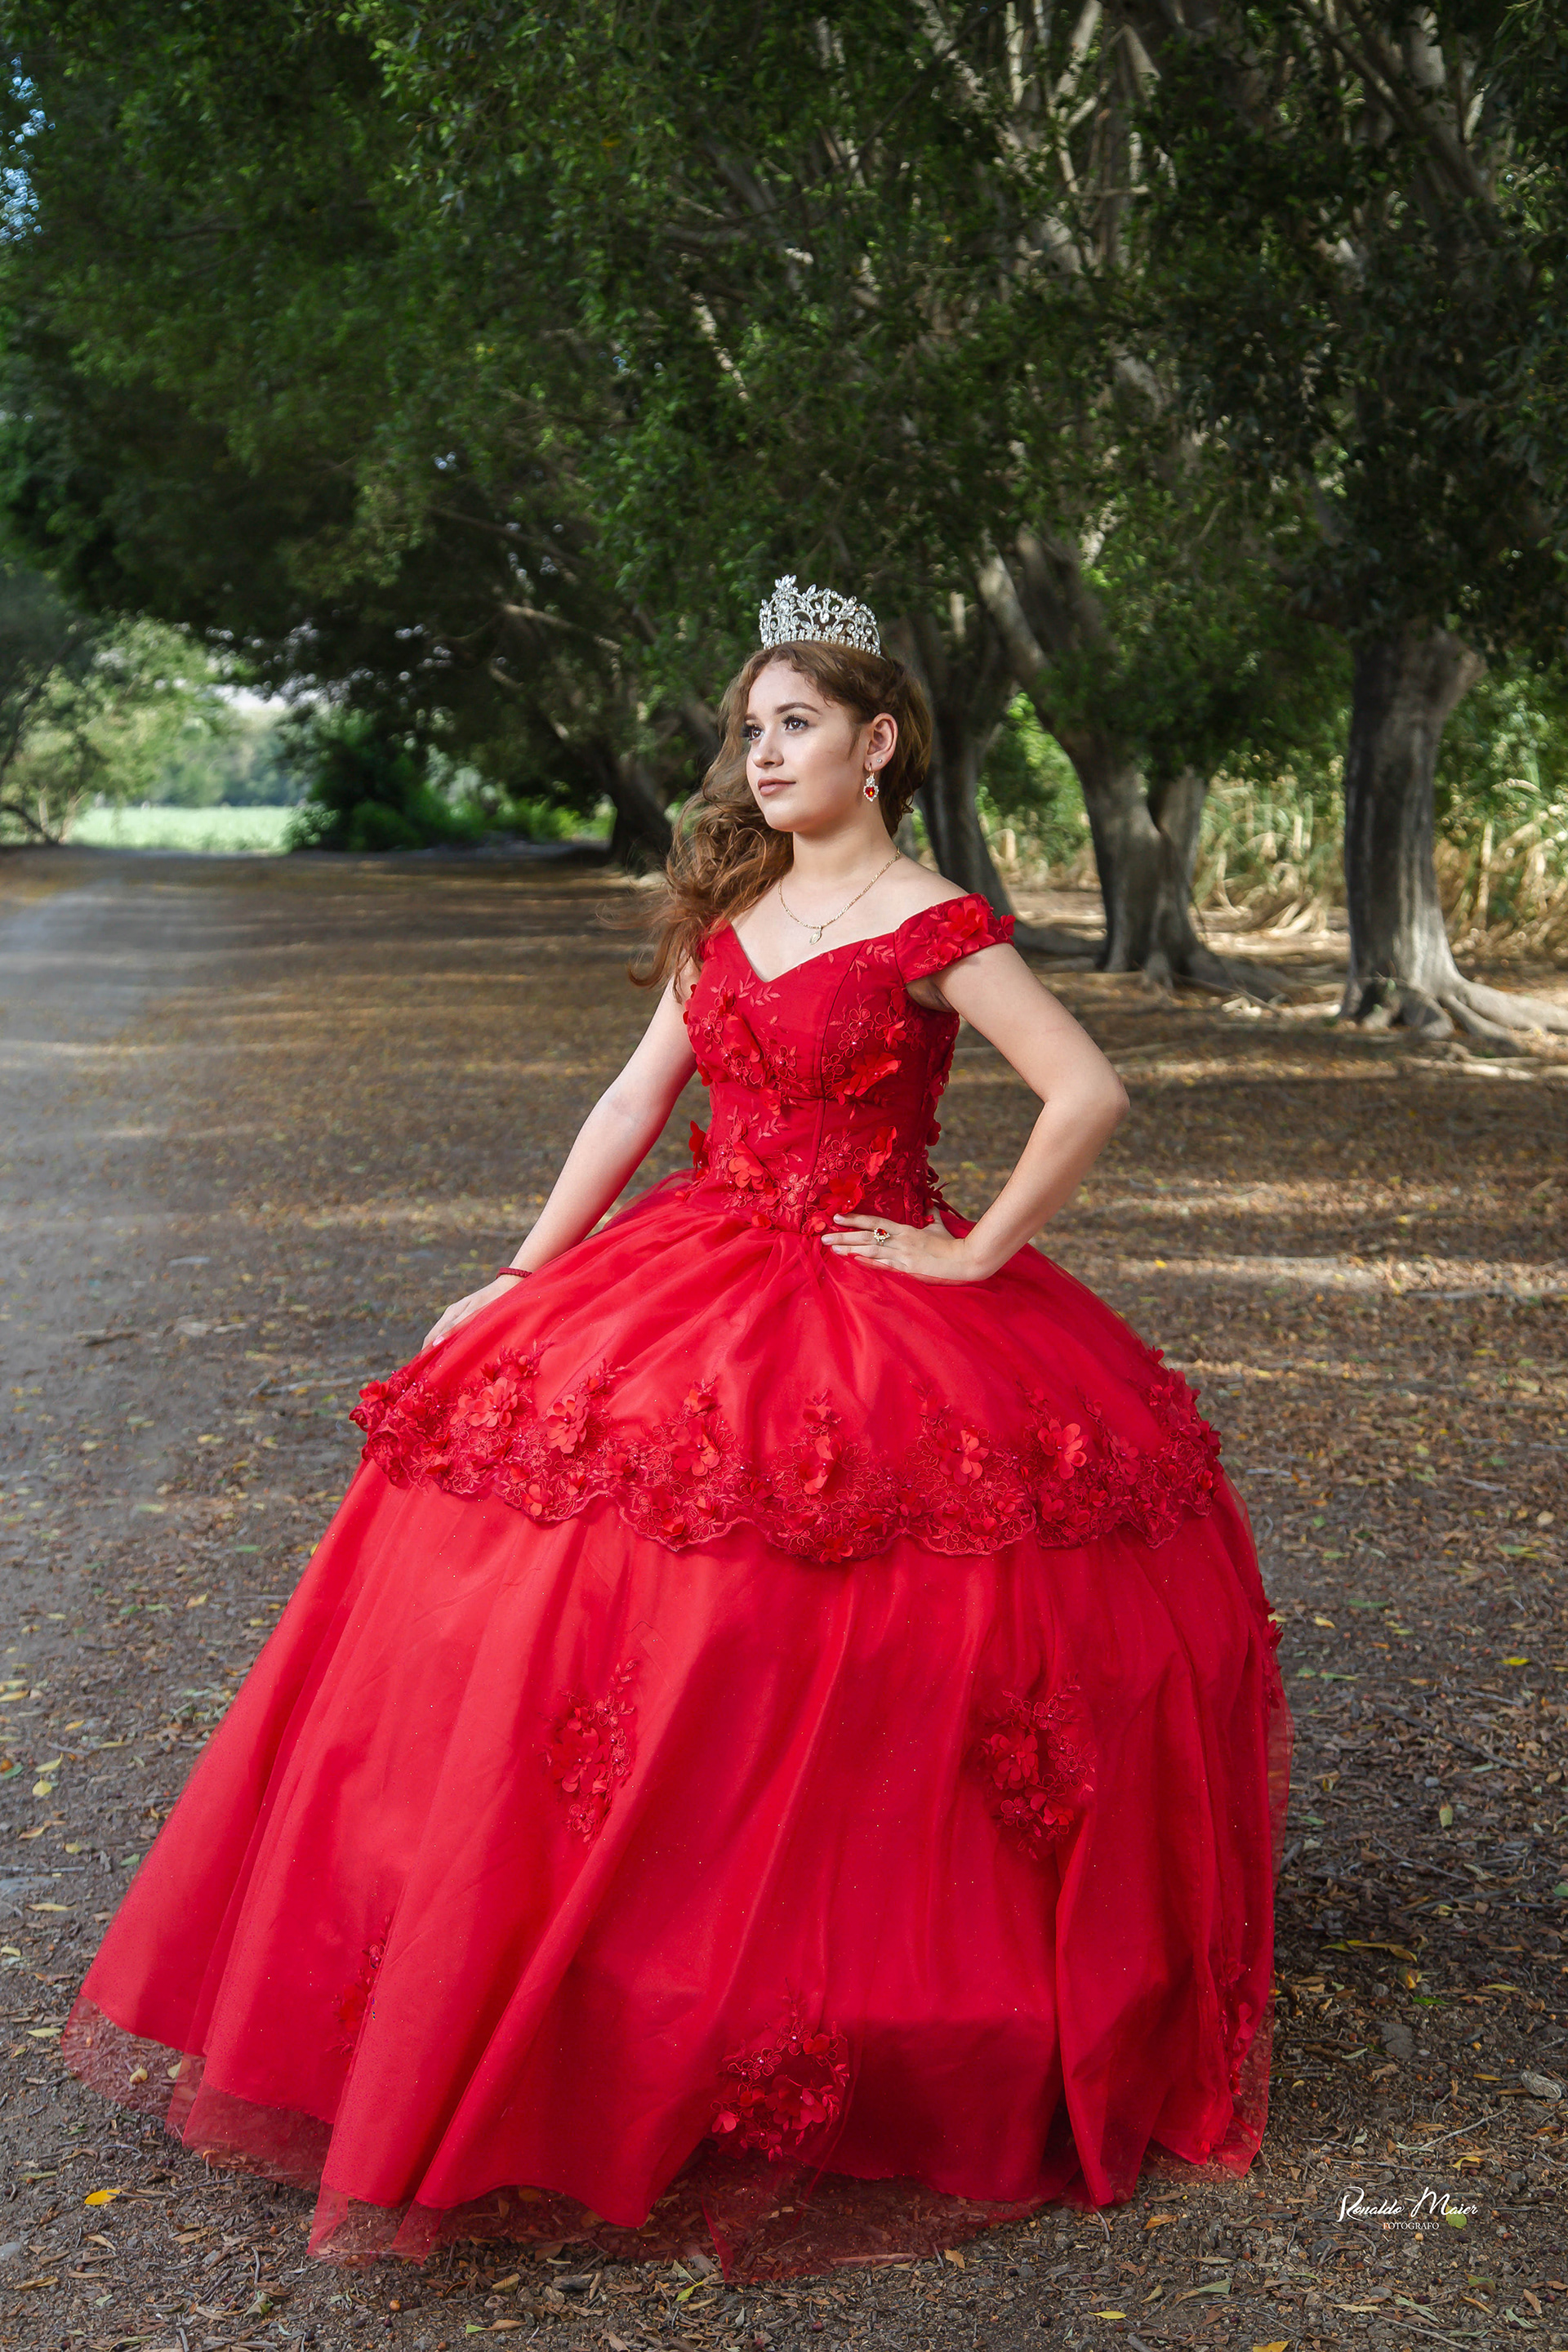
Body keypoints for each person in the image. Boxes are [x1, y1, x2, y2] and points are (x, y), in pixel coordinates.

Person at [63, 577, 1292, 2283]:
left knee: (850, 1631)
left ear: (879, 743)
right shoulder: (733, 910)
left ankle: (857, 1991)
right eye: (750, 728)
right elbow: (637, 1100)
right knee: (587, 1595)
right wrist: (518, 1274)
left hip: (870, 1298)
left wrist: (973, 1254)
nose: (764, 754)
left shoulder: (935, 925)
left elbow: (1086, 1091)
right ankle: (583, 1973)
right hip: (692, 1271)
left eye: (798, 725)